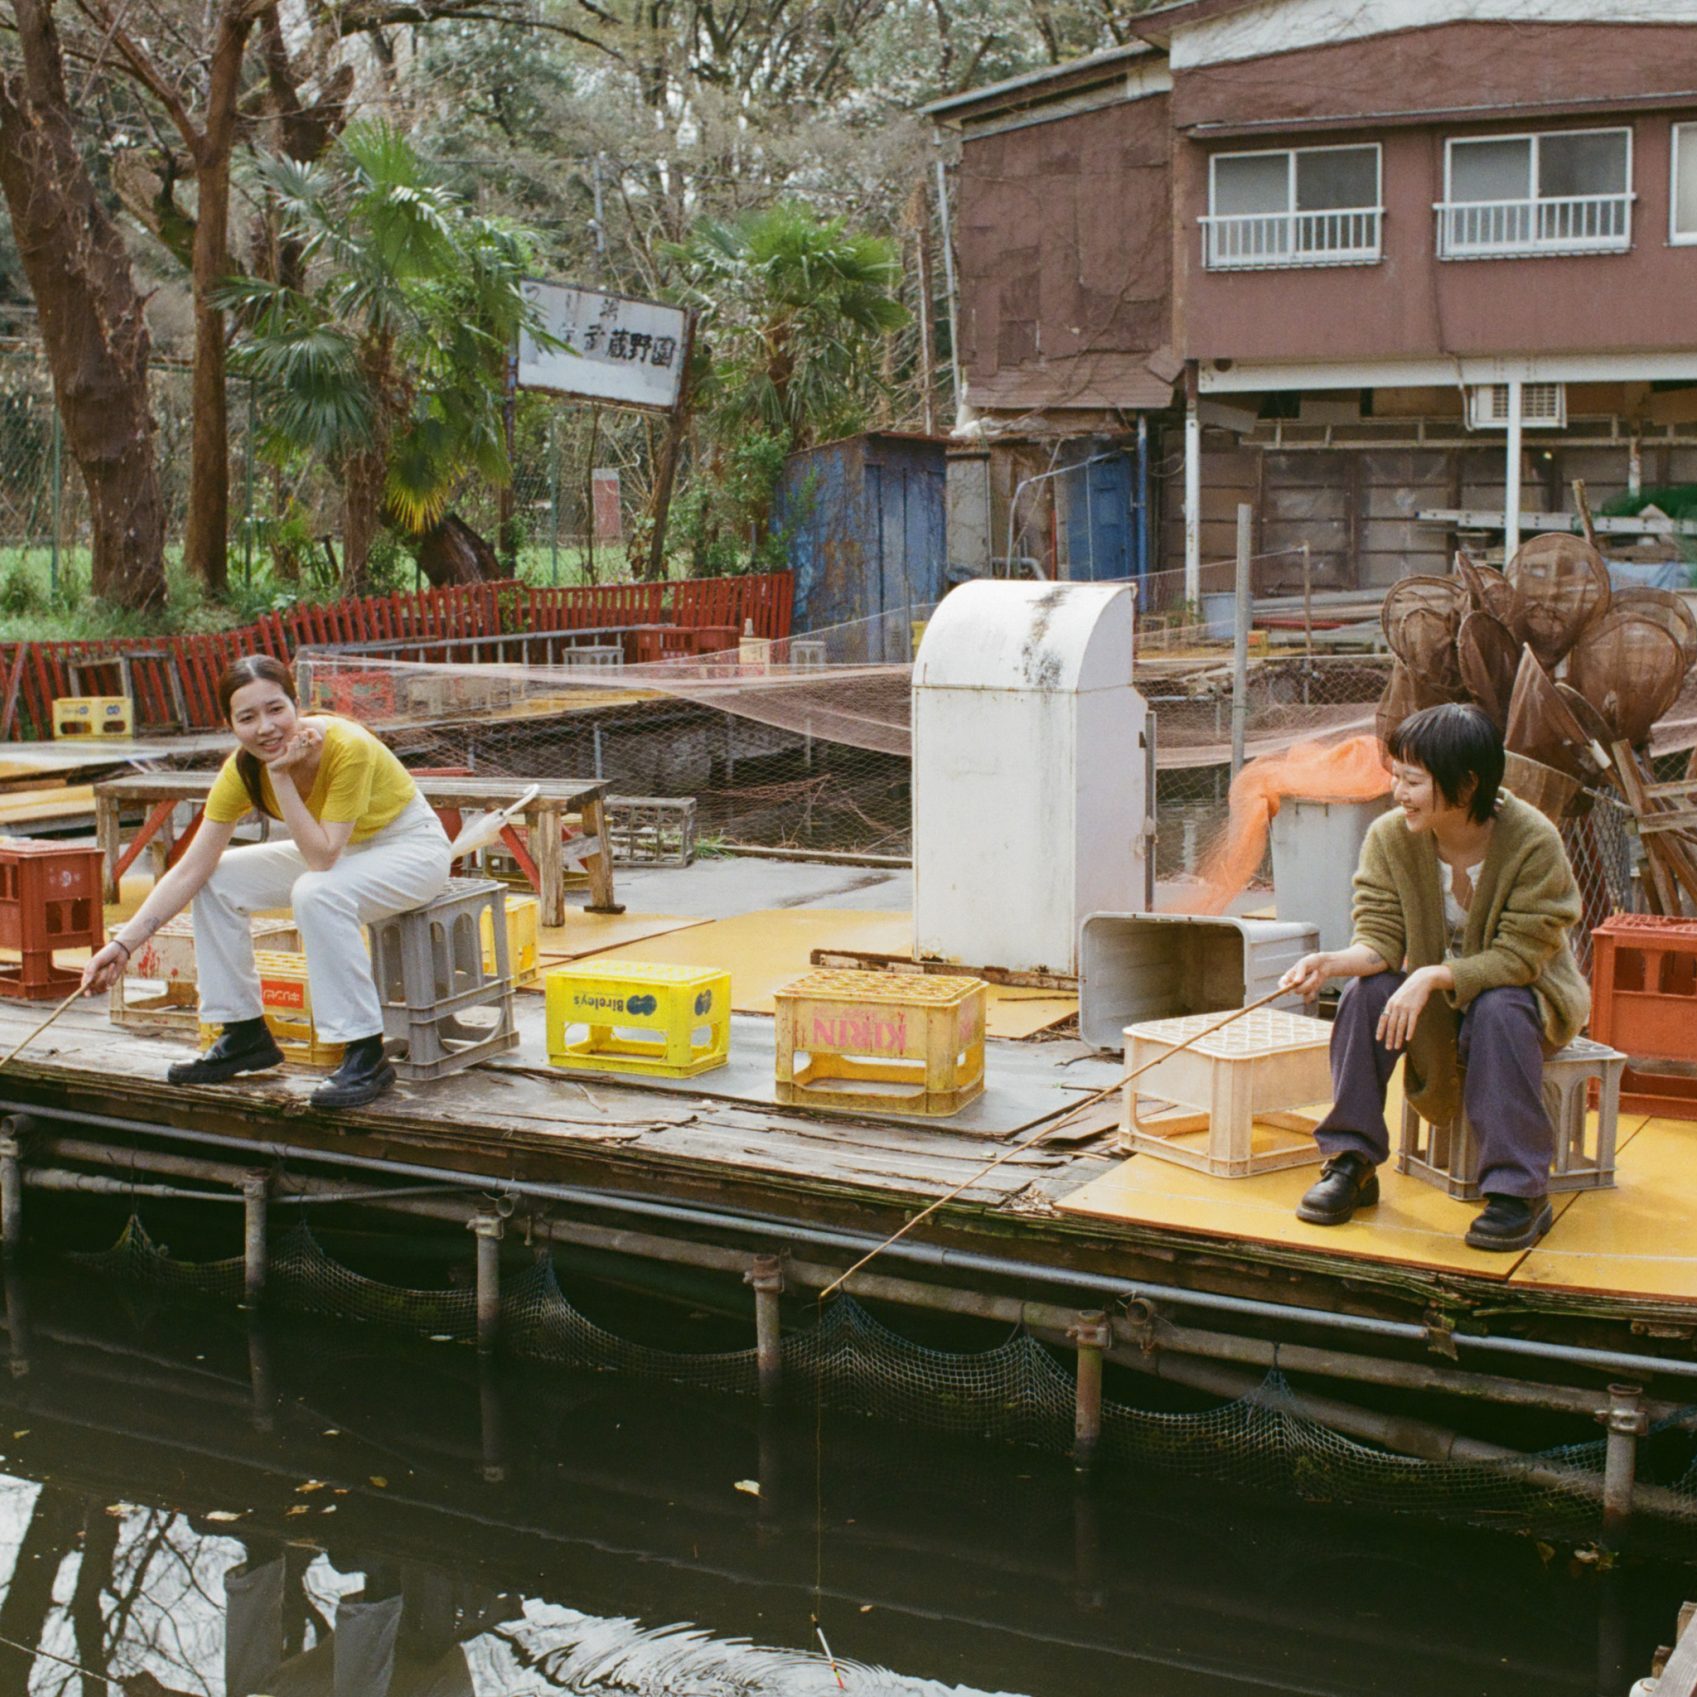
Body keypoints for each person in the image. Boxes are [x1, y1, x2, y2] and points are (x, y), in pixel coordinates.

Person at [1278, 702, 1590, 1252]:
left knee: (1498, 1007)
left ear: (1467, 784)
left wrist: (1430, 976)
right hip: (1438, 992)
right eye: (1396, 775)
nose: (1397, 791)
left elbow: (1521, 958)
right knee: (1364, 994)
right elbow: (1379, 939)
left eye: (1413, 780)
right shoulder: (1390, 837)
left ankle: (1519, 1191)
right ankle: (1352, 1159)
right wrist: (1332, 962)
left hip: (1526, 996)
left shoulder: (1532, 840)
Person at [81, 656, 453, 1109]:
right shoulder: (242, 770)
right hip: (343, 852)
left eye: (276, 709)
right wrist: (124, 946)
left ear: (298, 704)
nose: (266, 728)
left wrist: (279, 777)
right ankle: (242, 1032)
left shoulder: (345, 747)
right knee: (218, 879)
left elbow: (320, 857)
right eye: (247, 718)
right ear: (230, 724)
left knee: (316, 892)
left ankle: (364, 1052)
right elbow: (190, 867)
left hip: (411, 849)